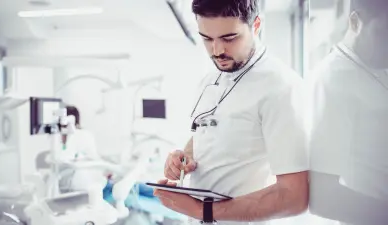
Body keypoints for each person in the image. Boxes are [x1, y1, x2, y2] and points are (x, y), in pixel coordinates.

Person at [153, 0, 309, 224]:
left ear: (255, 25)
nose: (217, 51)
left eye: (229, 38)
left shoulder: (281, 87)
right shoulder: (211, 79)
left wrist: (202, 211)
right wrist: (183, 158)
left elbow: (294, 197)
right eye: (207, 38)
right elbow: (207, 132)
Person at [307, 0, 388, 224]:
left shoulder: (377, 66)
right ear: (354, 22)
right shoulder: (333, 79)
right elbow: (323, 198)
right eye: (384, 33)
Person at [58, 105, 107, 194]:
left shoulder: (82, 135)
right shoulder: (83, 135)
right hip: (83, 184)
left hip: (83, 183)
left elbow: (94, 158)